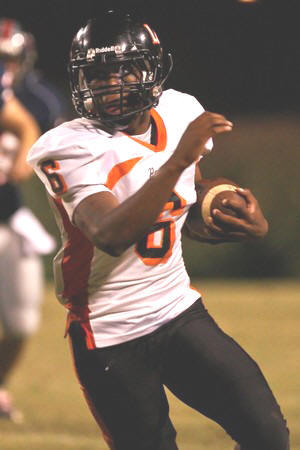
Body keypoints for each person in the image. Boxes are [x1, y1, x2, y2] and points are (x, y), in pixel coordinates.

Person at [27, 11, 289, 450]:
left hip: (178, 311)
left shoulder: (179, 110)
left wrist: (221, 202)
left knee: (267, 433)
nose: (110, 84)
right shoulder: (69, 145)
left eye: (123, 69)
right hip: (109, 333)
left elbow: (184, 195)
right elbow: (109, 231)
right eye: (97, 74)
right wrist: (178, 161)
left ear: (150, 71)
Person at [0, 20, 60, 422]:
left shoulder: (40, 100)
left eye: (8, 58)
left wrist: (22, 161)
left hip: (11, 215)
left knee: (22, 321)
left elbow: (29, 130)